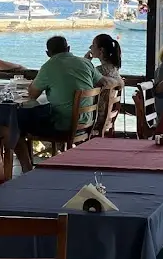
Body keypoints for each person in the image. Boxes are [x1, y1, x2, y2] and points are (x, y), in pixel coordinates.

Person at [16, 35, 108, 170]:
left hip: (63, 125)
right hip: (87, 121)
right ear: (68, 48)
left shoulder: (48, 67)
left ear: (48, 53)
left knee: (16, 125)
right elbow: (103, 83)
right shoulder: (85, 63)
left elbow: (32, 95)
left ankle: (26, 168)